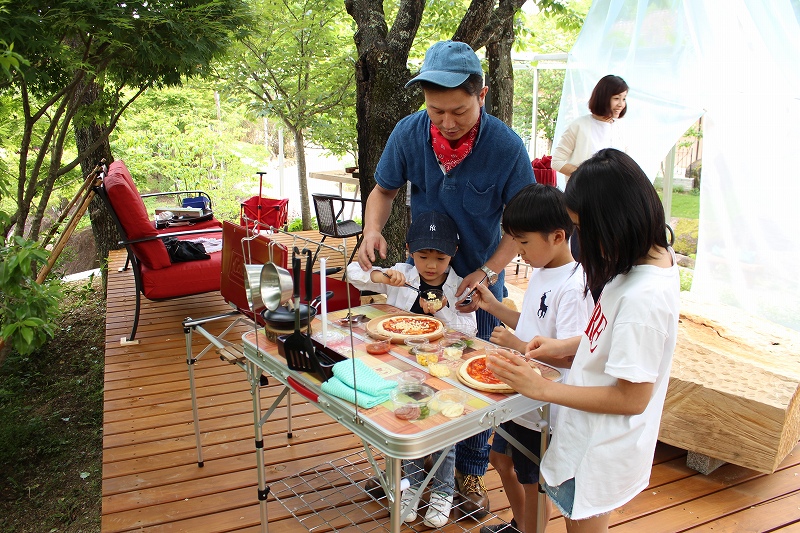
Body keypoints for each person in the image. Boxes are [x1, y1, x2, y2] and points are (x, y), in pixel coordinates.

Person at [356, 40, 535, 517]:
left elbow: (520, 230)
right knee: (412, 372)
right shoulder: (409, 133)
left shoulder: (506, 147)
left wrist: (487, 271)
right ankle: (414, 468)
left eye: (458, 110)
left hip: (479, 286)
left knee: (474, 385)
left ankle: (468, 474)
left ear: (483, 95)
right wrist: (372, 229)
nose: (447, 123)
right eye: (436, 112)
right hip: (423, 276)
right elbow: (384, 190)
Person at [487, 149, 680, 533]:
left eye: (581, 227)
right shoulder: (650, 258)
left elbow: (632, 397)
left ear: (612, 221)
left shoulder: (645, 297)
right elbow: (610, 333)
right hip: (588, 434)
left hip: (602, 446)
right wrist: (563, 347)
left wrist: (542, 388)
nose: (579, 240)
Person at [472, 184, 593, 533]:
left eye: (523, 242)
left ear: (557, 236)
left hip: (544, 409)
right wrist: (494, 308)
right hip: (520, 396)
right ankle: (521, 523)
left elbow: (567, 355)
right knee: (498, 458)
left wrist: (517, 344)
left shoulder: (573, 286)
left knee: (534, 481)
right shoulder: (543, 270)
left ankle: (530, 528)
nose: (519, 251)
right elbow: (532, 323)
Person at [347, 210, 475, 528]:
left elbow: (469, 333)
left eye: (440, 257)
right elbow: (352, 273)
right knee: (408, 421)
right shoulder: (402, 274)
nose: (431, 265)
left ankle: (444, 491)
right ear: (409, 250)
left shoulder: (458, 285)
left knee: (445, 428)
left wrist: (445, 310)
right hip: (399, 367)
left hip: (444, 371)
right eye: (423, 256)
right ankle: (411, 488)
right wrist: (379, 277)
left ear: (454, 254)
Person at [551, 74, 629, 180]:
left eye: (624, 99)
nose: (621, 104)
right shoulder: (578, 126)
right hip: (584, 193)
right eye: (616, 98)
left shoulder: (621, 128)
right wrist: (586, 176)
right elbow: (556, 162)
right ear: (603, 98)